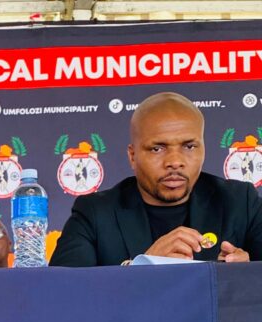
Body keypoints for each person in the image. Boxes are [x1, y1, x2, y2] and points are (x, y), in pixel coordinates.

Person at [51, 92, 262, 266]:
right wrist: (143, 267)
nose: (175, 162)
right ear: (132, 156)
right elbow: (61, 292)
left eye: (189, 146)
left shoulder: (240, 202)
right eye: (157, 149)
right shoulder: (95, 213)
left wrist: (246, 276)